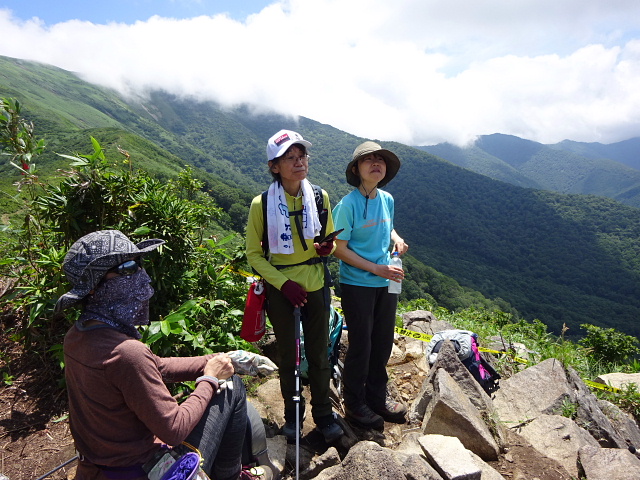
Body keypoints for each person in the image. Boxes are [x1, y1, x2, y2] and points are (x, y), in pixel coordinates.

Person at [56, 229, 272, 480]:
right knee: (232, 386)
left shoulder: (78, 335)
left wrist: (220, 359)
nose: (140, 275)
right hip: (141, 469)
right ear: (94, 288)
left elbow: (156, 366)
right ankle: (230, 475)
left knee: (226, 376)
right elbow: (174, 430)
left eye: (138, 264)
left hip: (100, 466)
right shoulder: (127, 353)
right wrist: (210, 379)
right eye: (126, 268)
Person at [245, 129, 343, 443]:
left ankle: (324, 415)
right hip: (281, 289)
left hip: (315, 285)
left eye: (302, 156)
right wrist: (284, 284)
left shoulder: (319, 196)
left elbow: (326, 238)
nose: (299, 162)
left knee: (319, 355)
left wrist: (326, 248)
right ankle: (292, 417)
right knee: (289, 357)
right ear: (275, 166)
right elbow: (253, 255)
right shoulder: (261, 204)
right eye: (291, 157)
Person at [332, 141, 409, 430]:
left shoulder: (387, 199)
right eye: (369, 160)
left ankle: (377, 398)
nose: (376, 164)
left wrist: (396, 238)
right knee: (361, 345)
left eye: (380, 160)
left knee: (383, 342)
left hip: (386, 280)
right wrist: (376, 268)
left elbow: (386, 224)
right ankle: (354, 404)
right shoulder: (347, 205)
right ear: (356, 169)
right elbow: (339, 249)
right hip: (357, 283)